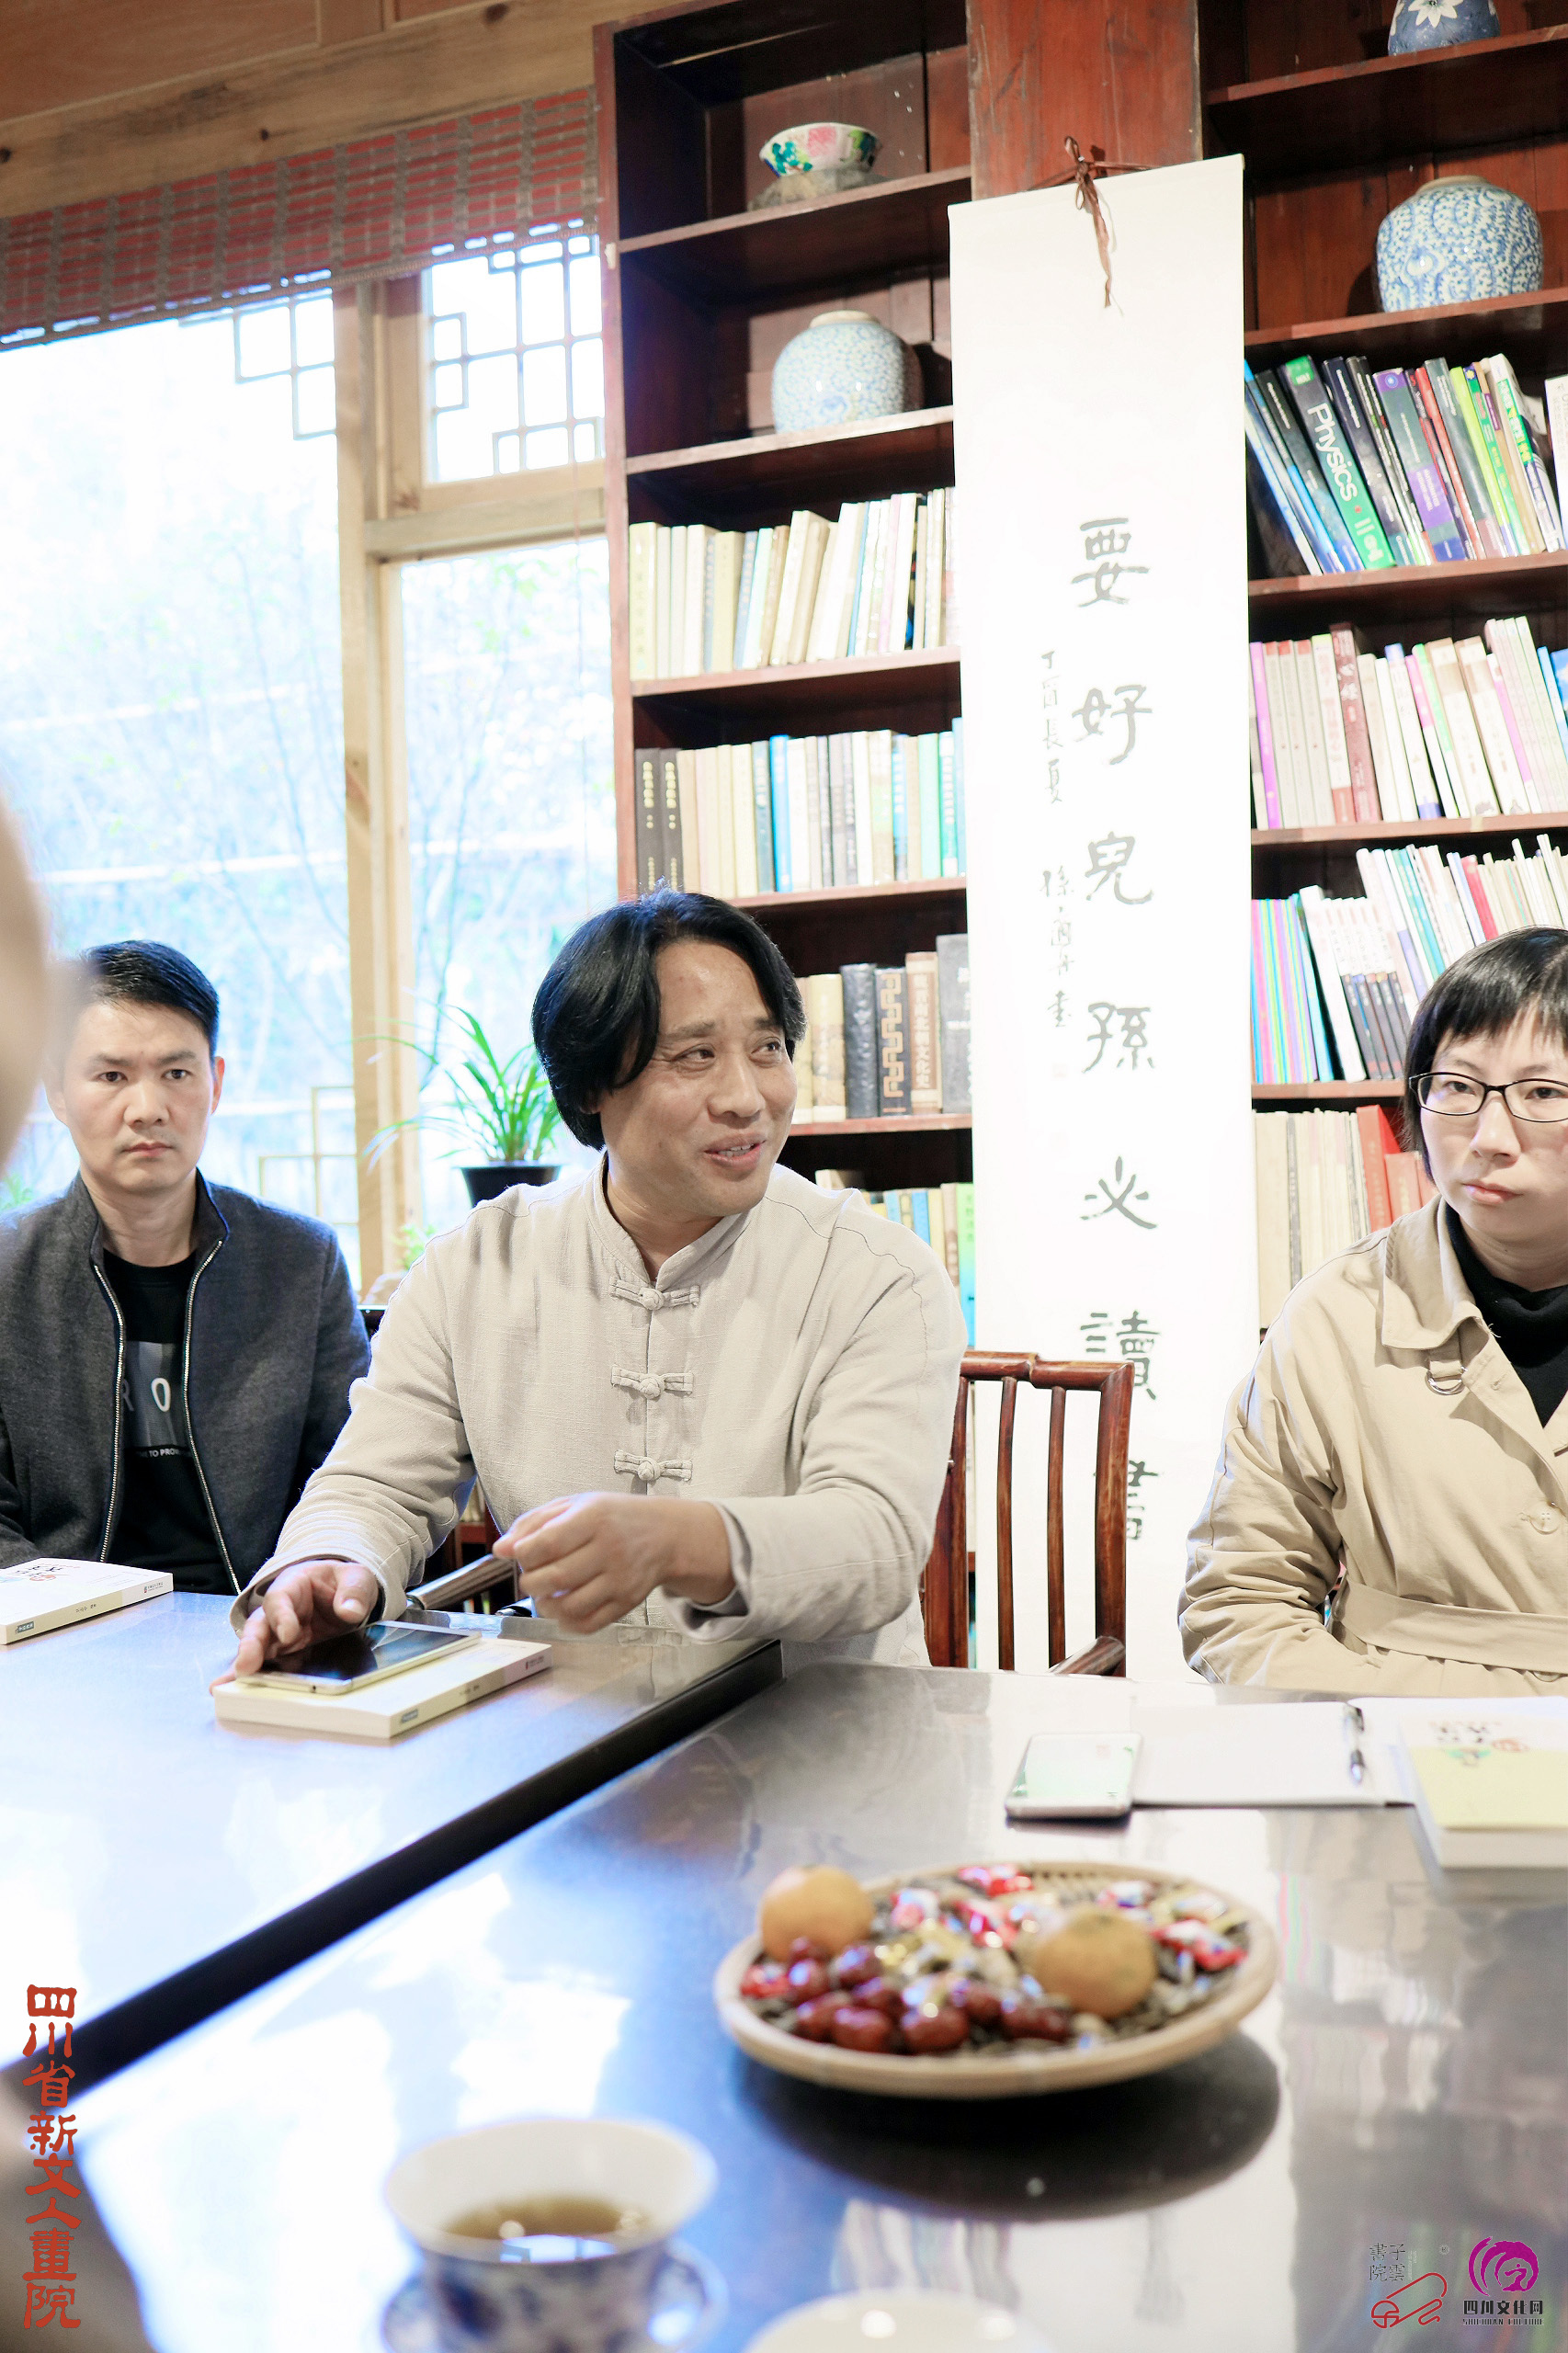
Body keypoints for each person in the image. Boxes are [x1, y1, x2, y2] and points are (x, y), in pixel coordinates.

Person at [224, 891, 967, 1677]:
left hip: (823, 1726)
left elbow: (873, 1543)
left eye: (768, 1048)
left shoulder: (877, 1274)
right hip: (577, 1719)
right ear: (588, 1086)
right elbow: (375, 1483)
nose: (747, 1098)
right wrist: (329, 1562)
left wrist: (680, 1542)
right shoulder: (474, 1266)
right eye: (695, 1056)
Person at [1184, 929, 1568, 1694]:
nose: (1489, 1138)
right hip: (1391, 1738)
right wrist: (1380, 1730)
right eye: (1457, 1086)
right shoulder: (1337, 1312)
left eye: (1543, 1094)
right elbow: (1241, 1600)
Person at [0, 939, 369, 1597]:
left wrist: (301, 1589)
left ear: (216, 1083)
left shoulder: (300, 1262)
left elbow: (350, 1476)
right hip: (62, 1628)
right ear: (56, 1091)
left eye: (176, 1073)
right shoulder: (7, 1273)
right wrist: (70, 1617)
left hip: (258, 1614)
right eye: (111, 1077)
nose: (147, 1108)